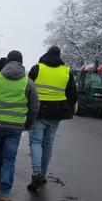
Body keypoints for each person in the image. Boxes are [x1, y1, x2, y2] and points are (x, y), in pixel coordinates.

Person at [0, 50, 39, 201]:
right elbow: (34, 106)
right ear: (21, 62)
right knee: (9, 159)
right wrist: (28, 123)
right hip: (15, 127)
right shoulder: (28, 82)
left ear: (7, 61)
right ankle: (4, 193)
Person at [27, 46, 77, 191]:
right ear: (59, 56)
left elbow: (28, 88)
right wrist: (66, 106)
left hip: (38, 110)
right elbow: (73, 94)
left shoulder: (37, 68)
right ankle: (43, 173)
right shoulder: (66, 71)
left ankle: (36, 173)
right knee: (48, 144)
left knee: (36, 142)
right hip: (56, 112)